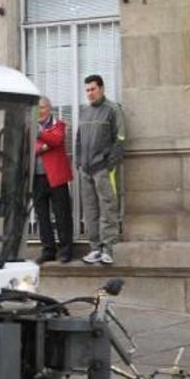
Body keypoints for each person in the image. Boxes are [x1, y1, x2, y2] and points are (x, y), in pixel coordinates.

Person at [76, 74, 126, 265]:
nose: (90, 93)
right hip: (86, 169)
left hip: (103, 169)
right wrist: (79, 162)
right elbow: (79, 139)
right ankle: (95, 248)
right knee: (89, 210)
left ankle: (108, 249)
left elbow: (120, 139)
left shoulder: (112, 109)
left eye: (93, 89)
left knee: (108, 207)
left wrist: (109, 164)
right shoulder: (84, 111)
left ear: (102, 89)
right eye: (87, 90)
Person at [33, 96, 74, 264]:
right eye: (37, 108)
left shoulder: (59, 124)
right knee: (42, 216)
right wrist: (42, 145)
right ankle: (48, 250)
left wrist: (40, 137)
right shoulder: (31, 127)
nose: (39, 111)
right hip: (37, 178)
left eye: (42, 107)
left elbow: (56, 139)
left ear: (49, 108)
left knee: (62, 214)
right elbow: (30, 148)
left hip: (56, 176)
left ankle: (65, 250)